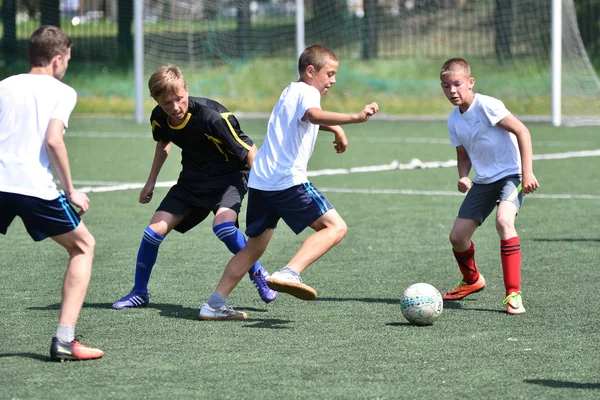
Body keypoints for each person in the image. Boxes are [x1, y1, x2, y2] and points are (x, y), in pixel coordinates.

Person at [198, 44, 379, 320]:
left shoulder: (290, 90)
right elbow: (313, 115)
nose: (333, 80)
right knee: (336, 227)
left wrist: (337, 128)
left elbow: (305, 118)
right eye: (329, 74)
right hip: (287, 180)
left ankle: (213, 305)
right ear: (310, 71)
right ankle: (290, 272)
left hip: (262, 182)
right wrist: (354, 118)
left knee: (253, 248)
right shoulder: (308, 92)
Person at [112, 65, 277, 310]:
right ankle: (139, 292)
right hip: (192, 180)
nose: (175, 107)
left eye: (179, 99)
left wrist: (264, 193)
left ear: (186, 90)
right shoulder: (159, 117)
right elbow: (163, 143)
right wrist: (151, 182)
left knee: (222, 227)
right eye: (167, 103)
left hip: (229, 178)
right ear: (156, 101)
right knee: (152, 233)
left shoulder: (213, 117)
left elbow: (250, 150)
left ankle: (258, 273)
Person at [0, 26, 104, 361]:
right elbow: (53, 139)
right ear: (57, 59)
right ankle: (64, 340)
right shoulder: (62, 91)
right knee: (83, 246)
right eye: (68, 60)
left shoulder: (3, 86)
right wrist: (71, 191)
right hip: (32, 186)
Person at [439, 58, 539, 314]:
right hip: (484, 181)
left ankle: (513, 294)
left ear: (470, 83)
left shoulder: (488, 106)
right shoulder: (453, 120)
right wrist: (463, 175)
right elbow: (463, 154)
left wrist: (526, 173)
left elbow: (522, 131)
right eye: (446, 86)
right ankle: (472, 280)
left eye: (457, 84)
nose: (452, 91)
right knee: (457, 237)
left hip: (510, 176)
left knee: (504, 222)